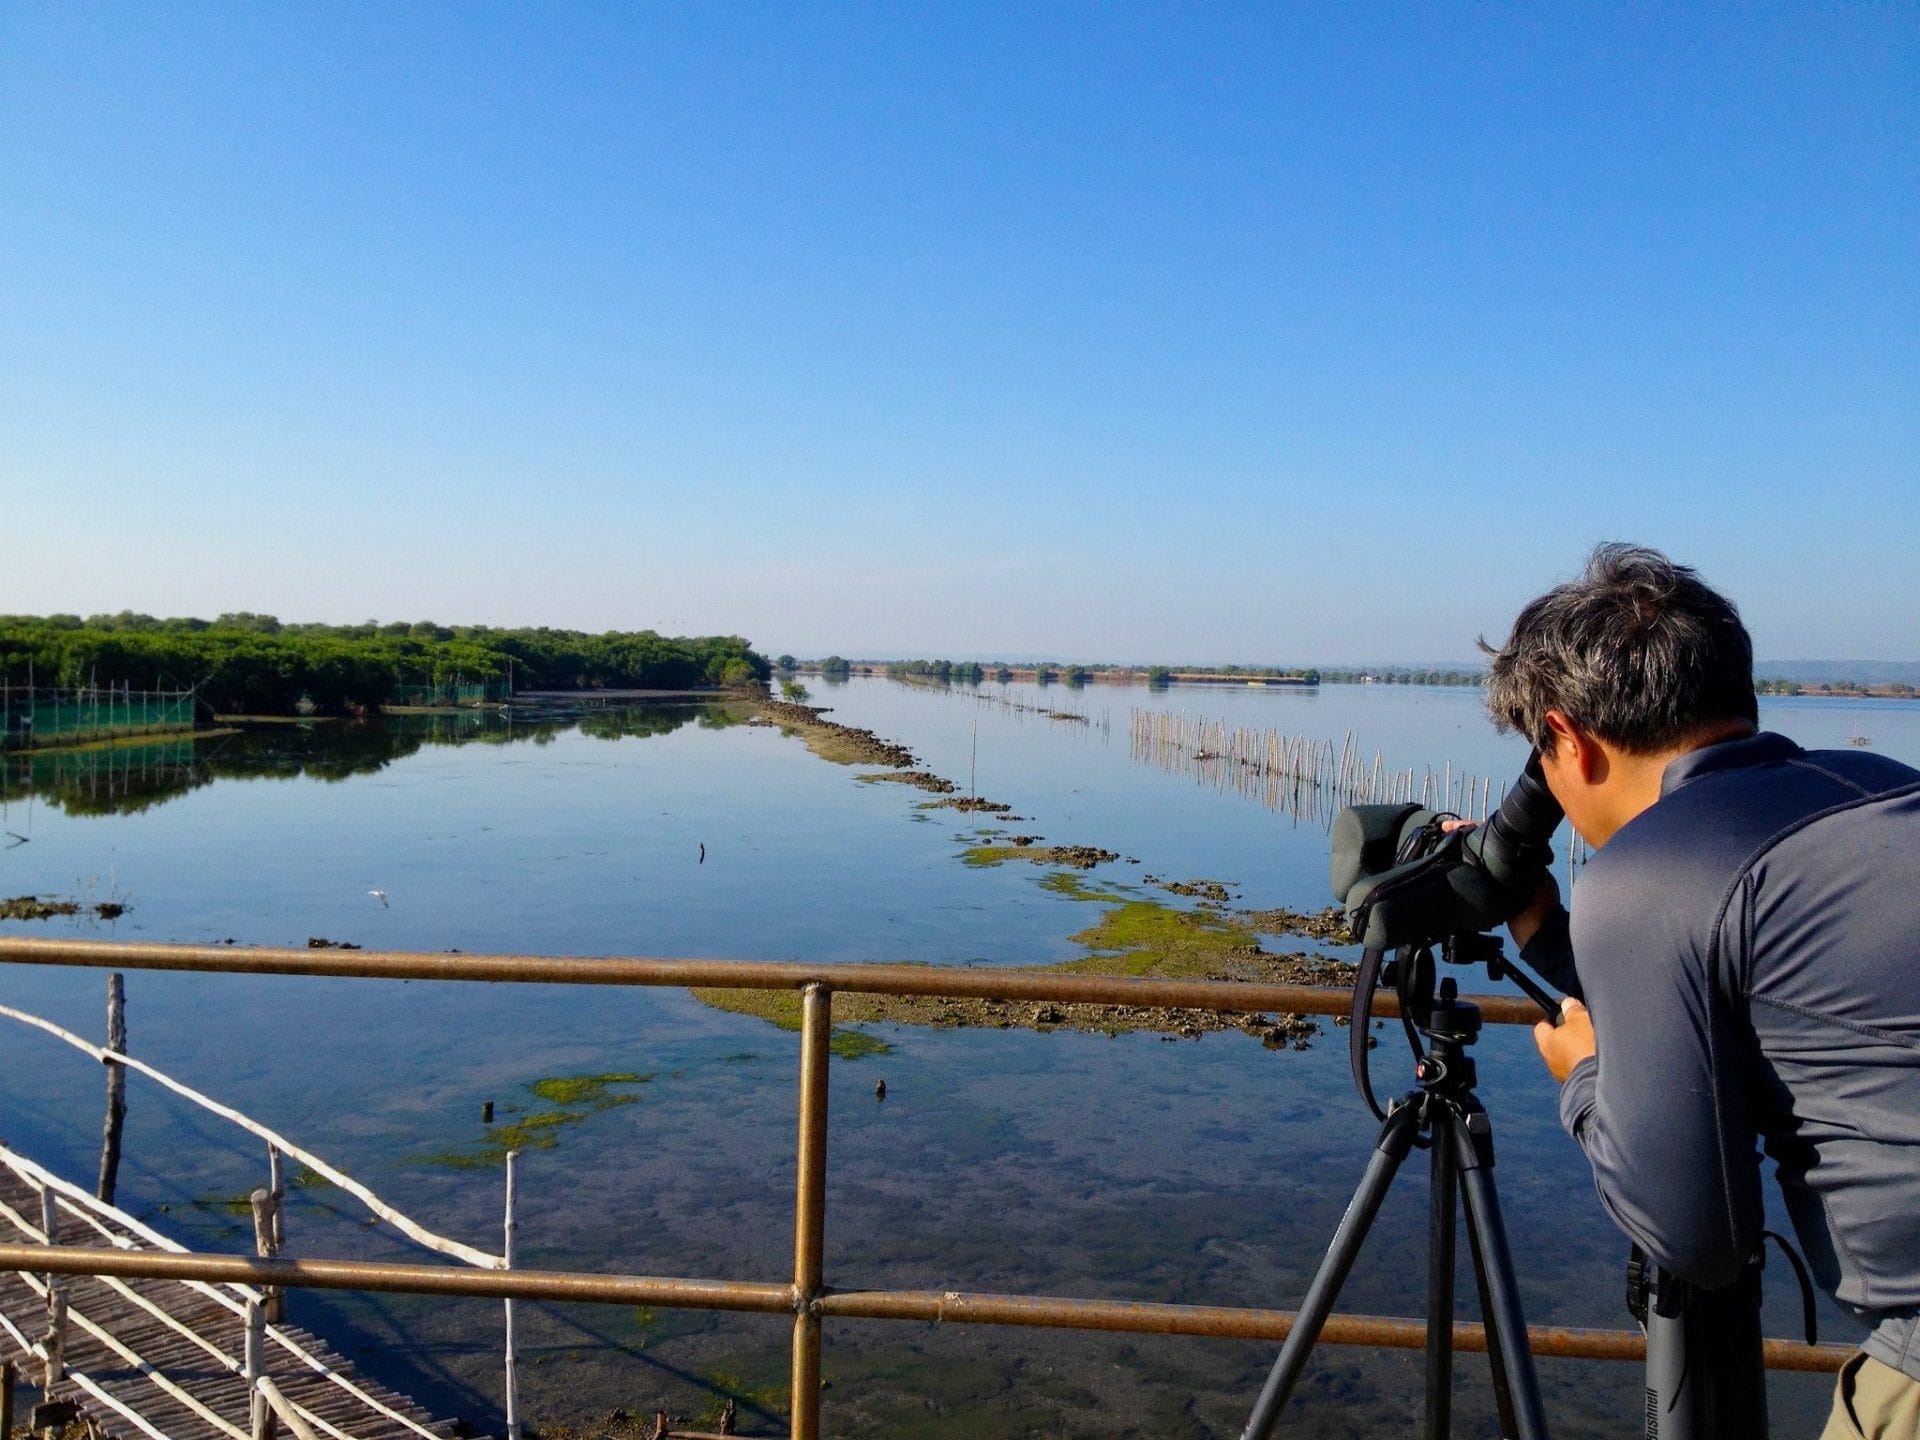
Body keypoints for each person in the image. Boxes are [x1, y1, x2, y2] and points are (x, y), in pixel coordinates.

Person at [1479, 544, 1920, 1439]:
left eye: (1542, 756)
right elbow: (1741, 981)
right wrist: (1547, 934)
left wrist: (1586, 1077)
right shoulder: (1879, 789)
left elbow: (1697, 1239)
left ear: (1567, 738)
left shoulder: (1648, 873)